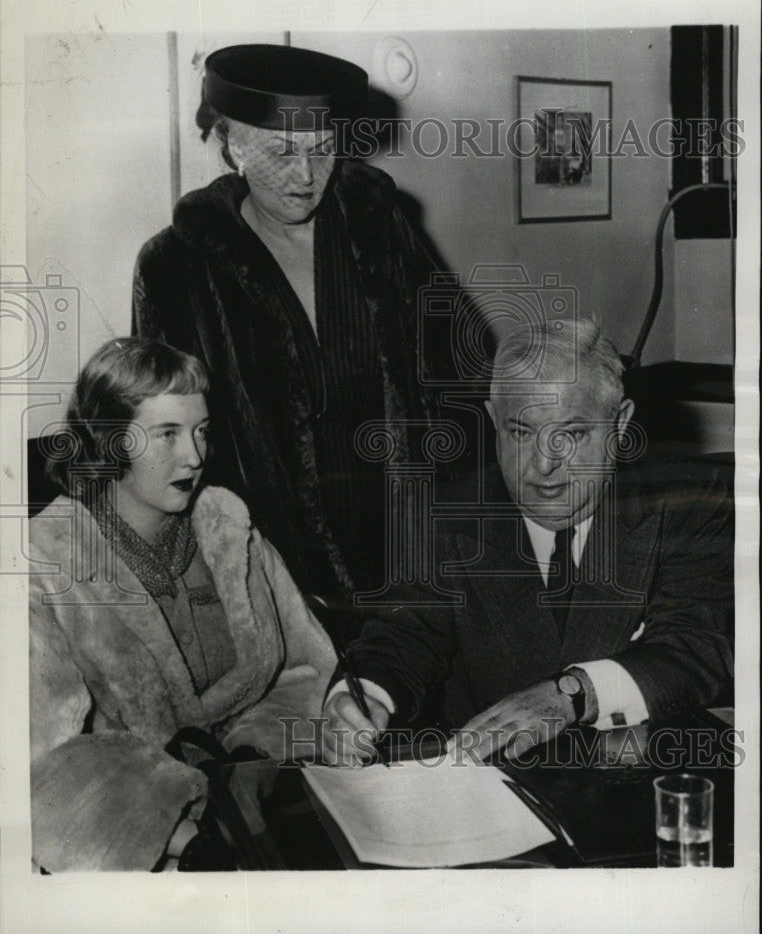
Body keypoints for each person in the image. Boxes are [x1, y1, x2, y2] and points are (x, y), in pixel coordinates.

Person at [320, 317, 734, 764]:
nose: (542, 465)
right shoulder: (443, 514)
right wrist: (359, 698)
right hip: (488, 792)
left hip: (642, 780)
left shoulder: (689, 499)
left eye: (571, 434)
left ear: (619, 426)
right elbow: (403, 635)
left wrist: (573, 694)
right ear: (494, 421)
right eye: (520, 432)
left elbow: (694, 648)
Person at [133, 44, 454, 615]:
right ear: (231, 144)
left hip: (409, 544)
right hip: (270, 566)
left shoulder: (379, 228)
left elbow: (455, 370)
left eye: (322, 149)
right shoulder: (176, 266)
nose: (306, 175)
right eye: (282, 152)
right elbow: (162, 437)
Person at [29, 337, 335, 871]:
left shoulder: (227, 528)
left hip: (264, 802)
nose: (194, 456)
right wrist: (183, 835)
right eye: (167, 434)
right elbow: (39, 763)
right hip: (138, 843)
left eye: (201, 431)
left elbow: (306, 671)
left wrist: (251, 762)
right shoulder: (45, 561)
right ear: (110, 442)